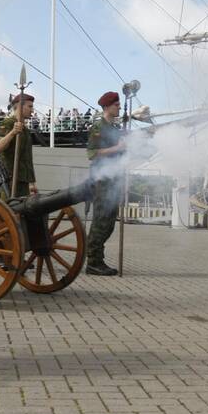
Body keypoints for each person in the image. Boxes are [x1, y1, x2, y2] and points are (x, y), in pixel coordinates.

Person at [85, 91, 127, 276]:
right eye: (117, 104)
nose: (119, 107)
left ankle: (97, 259)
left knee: (109, 222)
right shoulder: (98, 127)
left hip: (114, 178)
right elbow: (92, 153)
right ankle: (93, 262)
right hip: (102, 179)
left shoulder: (115, 129)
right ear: (107, 107)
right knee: (101, 221)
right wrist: (116, 148)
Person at [0, 93, 37, 198]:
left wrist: (31, 182)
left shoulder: (25, 130)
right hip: (10, 180)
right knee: (8, 212)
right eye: (29, 106)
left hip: (23, 180)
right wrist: (13, 132)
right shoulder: (8, 123)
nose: (32, 110)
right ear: (19, 106)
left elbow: (27, 158)